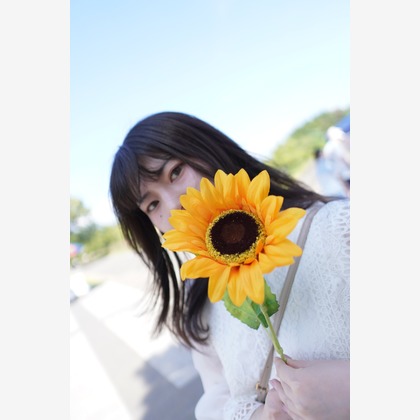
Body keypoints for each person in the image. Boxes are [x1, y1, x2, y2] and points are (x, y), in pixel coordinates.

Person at [109, 111, 350, 419]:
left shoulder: (338, 228)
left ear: (208, 150)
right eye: (152, 204)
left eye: (176, 172)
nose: (174, 205)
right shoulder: (201, 302)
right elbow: (216, 397)